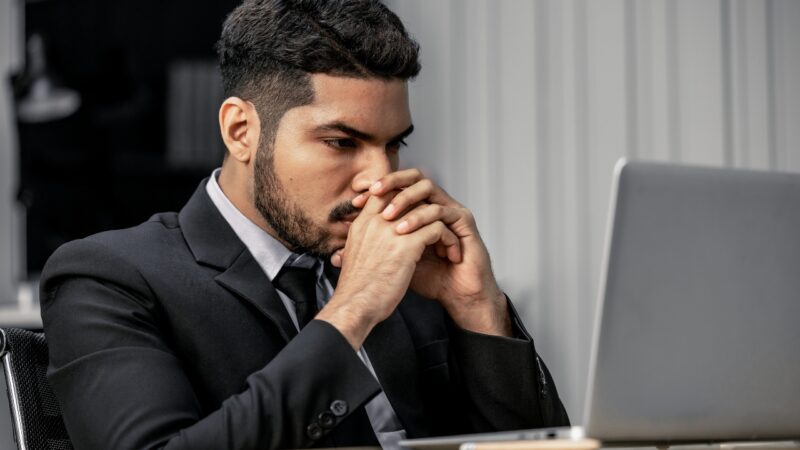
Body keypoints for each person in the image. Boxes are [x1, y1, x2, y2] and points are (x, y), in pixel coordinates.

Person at [39, 0, 569, 448]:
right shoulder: (108, 278)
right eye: (342, 143)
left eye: (393, 144)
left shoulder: (412, 268)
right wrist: (354, 309)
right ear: (241, 130)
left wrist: (478, 309)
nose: (380, 179)